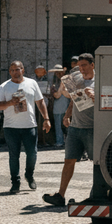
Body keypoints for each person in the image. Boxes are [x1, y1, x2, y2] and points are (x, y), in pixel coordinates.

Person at [43, 54, 96, 206]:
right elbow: (75, 100)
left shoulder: (101, 81)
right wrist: (67, 115)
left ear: (92, 65)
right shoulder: (77, 79)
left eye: (84, 65)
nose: (82, 68)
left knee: (97, 162)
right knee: (68, 160)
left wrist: (96, 96)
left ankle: (95, 194)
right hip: (75, 128)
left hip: (93, 128)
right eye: (79, 66)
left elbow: (110, 100)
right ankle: (60, 195)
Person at [0, 61, 51, 194]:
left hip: (29, 125)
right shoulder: (4, 87)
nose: (15, 72)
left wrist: (46, 118)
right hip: (11, 126)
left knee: (32, 153)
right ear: (9, 72)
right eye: (12, 70)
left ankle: (29, 175)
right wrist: (9, 103)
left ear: (23, 70)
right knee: (14, 156)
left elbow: (40, 101)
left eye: (17, 69)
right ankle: (15, 182)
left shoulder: (31, 83)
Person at [49, 64, 69, 148]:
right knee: (58, 127)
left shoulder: (68, 82)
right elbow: (56, 95)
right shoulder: (54, 85)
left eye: (60, 72)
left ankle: (68, 142)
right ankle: (59, 141)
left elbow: (68, 95)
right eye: (57, 73)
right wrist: (62, 85)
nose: (59, 74)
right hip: (57, 108)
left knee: (67, 126)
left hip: (67, 108)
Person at [33, 64, 54, 147]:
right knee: (36, 122)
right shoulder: (33, 81)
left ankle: (45, 141)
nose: (40, 72)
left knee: (44, 121)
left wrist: (43, 94)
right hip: (34, 103)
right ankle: (37, 141)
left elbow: (48, 93)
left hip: (45, 103)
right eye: (38, 71)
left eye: (42, 71)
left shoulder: (47, 81)